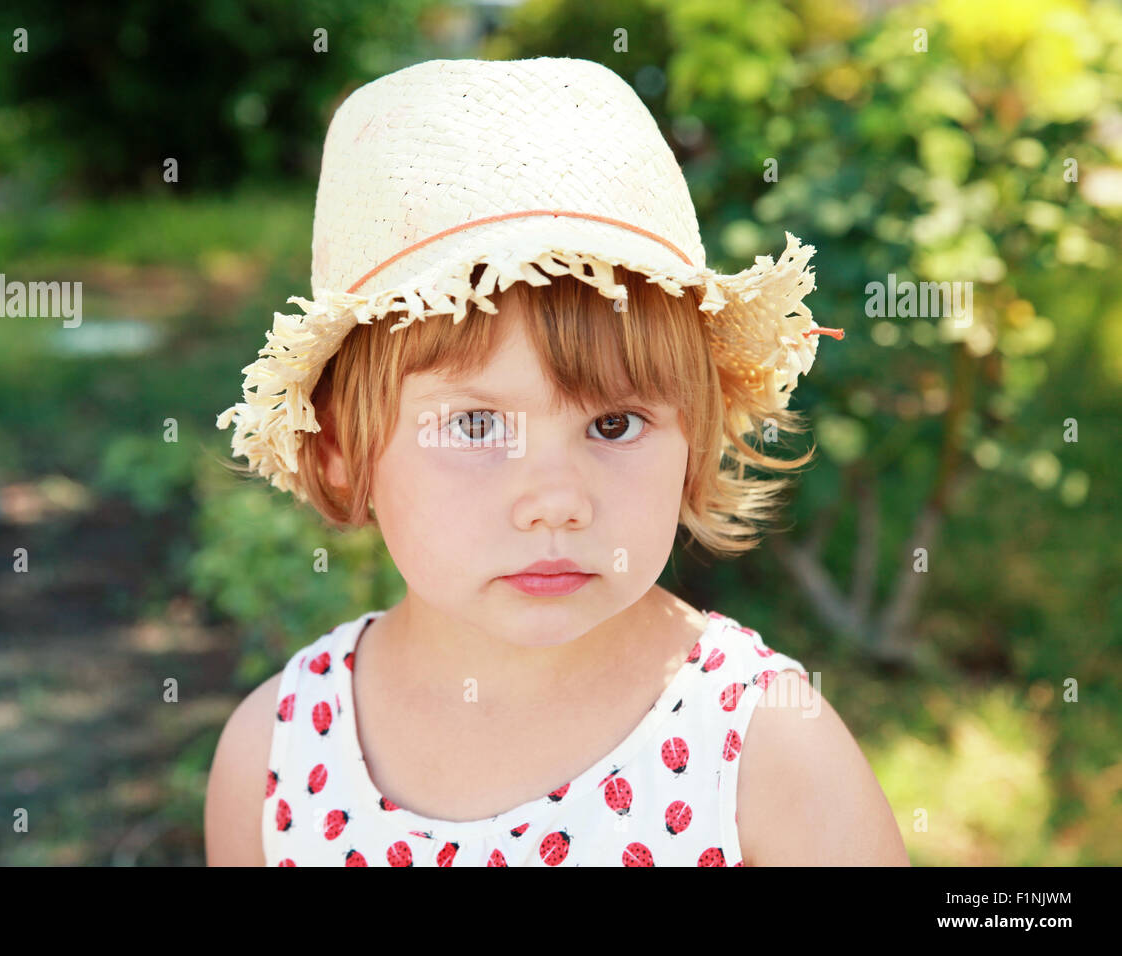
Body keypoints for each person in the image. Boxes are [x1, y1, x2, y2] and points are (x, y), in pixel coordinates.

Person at [205, 56, 907, 866]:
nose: (555, 501)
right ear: (336, 451)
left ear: (695, 440)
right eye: (472, 427)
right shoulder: (277, 756)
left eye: (613, 424)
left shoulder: (762, 745)